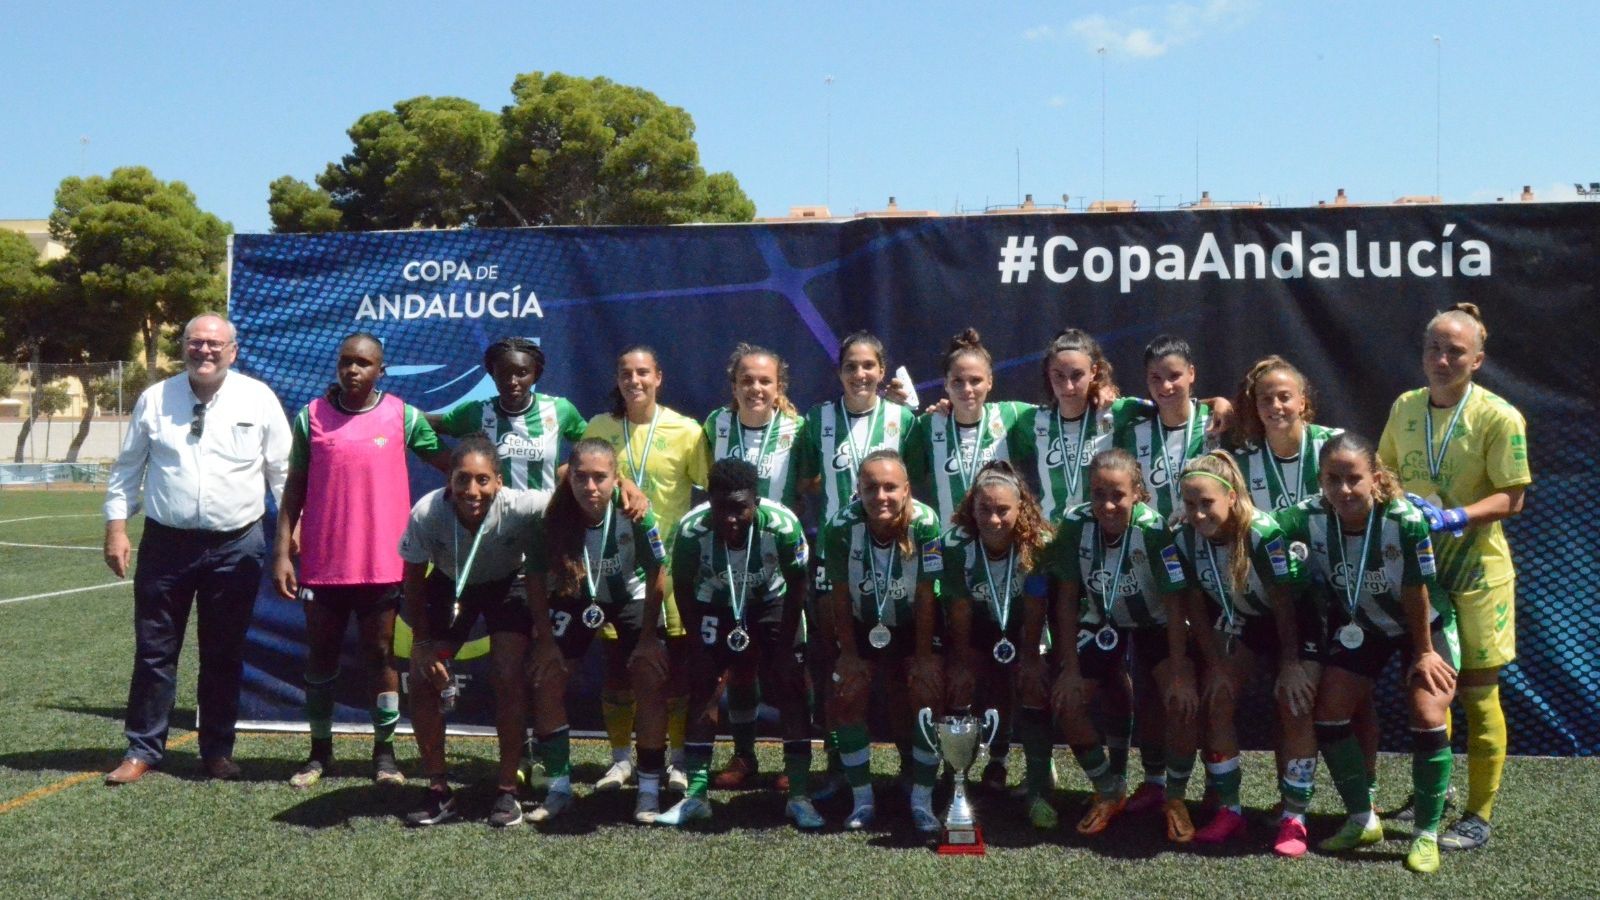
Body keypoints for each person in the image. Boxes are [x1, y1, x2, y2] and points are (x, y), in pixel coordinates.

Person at [103, 313, 292, 785]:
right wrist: (116, 528)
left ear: (233, 351)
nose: (204, 350)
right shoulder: (154, 398)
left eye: (214, 343)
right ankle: (142, 748)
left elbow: (284, 472)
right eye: (195, 342)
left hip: (237, 545)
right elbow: (127, 468)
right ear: (183, 346)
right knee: (154, 652)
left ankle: (217, 751)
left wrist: (293, 534)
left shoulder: (258, 397)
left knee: (223, 653)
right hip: (166, 545)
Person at [1378, 302, 1529, 852]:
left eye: (1455, 352)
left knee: (1478, 695)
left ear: (1478, 360)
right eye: (1434, 349)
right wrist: (1402, 500)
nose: (1442, 360)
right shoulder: (1405, 406)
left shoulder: (1500, 416)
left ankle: (1478, 815)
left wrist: (1456, 515)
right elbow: (1384, 472)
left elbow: (1513, 496)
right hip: (1422, 574)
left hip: (1477, 575)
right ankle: (1433, 794)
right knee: (1428, 687)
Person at [271, 332, 448, 788]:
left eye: (363, 363)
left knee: (381, 655)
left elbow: (450, 463)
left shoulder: (403, 416)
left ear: (380, 370)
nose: (353, 369)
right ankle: (319, 752)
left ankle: (385, 754)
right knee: (321, 656)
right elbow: (295, 486)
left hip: (382, 564)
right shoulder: (311, 416)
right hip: (323, 564)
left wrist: (493, 470)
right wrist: (282, 549)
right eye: (346, 361)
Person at [1277, 433, 1457, 873]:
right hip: (1366, 627)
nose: (1343, 489)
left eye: (1353, 478)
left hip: (1424, 626)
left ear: (1374, 478)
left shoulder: (1404, 520)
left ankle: (1425, 834)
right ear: (1320, 480)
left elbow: (1416, 590)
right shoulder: (1305, 517)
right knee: (1329, 713)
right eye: (1332, 479)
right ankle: (1363, 819)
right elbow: (1253, 526)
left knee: (1427, 713)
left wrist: (1424, 652)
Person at [397, 436, 552, 827]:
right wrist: (422, 644)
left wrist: (626, 487)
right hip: (451, 585)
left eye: (483, 480)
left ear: (499, 481)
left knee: (508, 674)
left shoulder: (520, 505)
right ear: (449, 480)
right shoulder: (428, 513)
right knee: (421, 677)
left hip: (508, 585)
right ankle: (438, 790)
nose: (472, 490)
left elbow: (575, 493)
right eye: (462, 479)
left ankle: (507, 791)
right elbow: (412, 582)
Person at [1104, 333, 1229, 813]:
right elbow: (1097, 398)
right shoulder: (1133, 423)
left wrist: (1224, 403)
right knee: (1156, 686)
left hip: (1211, 572)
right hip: (1154, 574)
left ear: (1192, 374)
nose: (1166, 386)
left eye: (1175, 375)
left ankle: (1218, 785)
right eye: (1155, 378)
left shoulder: (1217, 424)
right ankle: (1156, 781)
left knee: (1209, 684)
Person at [1045, 448, 1196, 842]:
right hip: (1101, 620)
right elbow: (1066, 599)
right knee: (1067, 700)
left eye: (1118, 495)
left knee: (1180, 700)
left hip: (1155, 622)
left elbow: (1175, 603)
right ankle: (1109, 789)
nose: (1108, 505)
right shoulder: (1075, 524)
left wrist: (1180, 673)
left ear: (1137, 494)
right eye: (1098, 494)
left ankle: (1173, 797)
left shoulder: (1153, 530)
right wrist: (1070, 669)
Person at [1171, 452, 1318, 855]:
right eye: (1190, 504)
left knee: (1294, 703)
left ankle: (1295, 818)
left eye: (1207, 503)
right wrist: (1216, 664)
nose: (1198, 514)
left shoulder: (1262, 533)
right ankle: (1230, 810)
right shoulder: (1185, 538)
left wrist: (1290, 664)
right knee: (1216, 698)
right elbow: (1195, 606)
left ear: (1232, 497)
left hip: (1298, 621)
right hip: (1246, 619)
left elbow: (1284, 604)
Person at [584, 346, 711, 793]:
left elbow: (712, 488)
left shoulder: (686, 431)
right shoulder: (599, 427)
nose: (634, 380)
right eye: (625, 373)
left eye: (643, 372)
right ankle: (620, 760)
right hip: (614, 568)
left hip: (669, 571)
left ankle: (675, 760)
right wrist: (622, 481)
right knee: (617, 666)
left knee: (674, 669)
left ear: (659, 377)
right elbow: (575, 474)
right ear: (617, 379)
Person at [795, 332, 917, 798]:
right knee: (835, 667)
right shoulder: (819, 419)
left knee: (900, 670)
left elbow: (917, 479)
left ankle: (910, 767)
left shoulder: (905, 420)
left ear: (882, 371)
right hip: (836, 560)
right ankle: (839, 768)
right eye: (851, 366)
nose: (860, 374)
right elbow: (806, 479)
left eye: (869, 366)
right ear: (839, 372)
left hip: (895, 559)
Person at [662, 458, 815, 828]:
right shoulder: (692, 529)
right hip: (714, 601)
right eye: (721, 507)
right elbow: (682, 585)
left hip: (771, 601)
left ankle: (799, 796)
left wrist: (784, 649)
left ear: (755, 502)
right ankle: (696, 796)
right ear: (709, 501)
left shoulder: (783, 526)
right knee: (703, 687)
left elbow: (798, 584)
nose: (730, 518)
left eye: (739, 508)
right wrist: (697, 645)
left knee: (791, 685)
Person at [524, 439, 671, 826]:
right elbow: (534, 579)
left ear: (616, 478)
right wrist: (545, 642)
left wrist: (648, 638)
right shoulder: (551, 516)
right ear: (568, 478)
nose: (590, 487)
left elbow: (657, 572)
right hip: (575, 596)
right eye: (581, 477)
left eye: (600, 477)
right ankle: (559, 789)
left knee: (650, 673)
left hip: (629, 596)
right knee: (547, 677)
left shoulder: (635, 511)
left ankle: (649, 789)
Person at [823, 450, 945, 831]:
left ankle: (922, 800)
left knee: (924, 694)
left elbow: (926, 594)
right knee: (848, 693)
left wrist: (923, 658)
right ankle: (862, 801)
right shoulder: (840, 527)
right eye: (871, 487)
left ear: (907, 490)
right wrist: (848, 655)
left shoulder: (927, 523)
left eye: (890, 487)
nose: (881, 496)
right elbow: (838, 596)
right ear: (858, 490)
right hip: (862, 624)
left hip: (912, 625)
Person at [702, 344, 807, 789]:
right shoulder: (716, 424)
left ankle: (794, 763)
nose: (756, 388)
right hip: (727, 567)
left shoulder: (798, 430)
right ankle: (745, 756)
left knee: (787, 671)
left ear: (779, 386)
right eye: (746, 380)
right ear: (733, 386)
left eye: (765, 381)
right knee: (739, 667)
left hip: (778, 568)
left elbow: (813, 481)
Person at [939, 461, 1055, 827]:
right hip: (976, 628)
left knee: (1031, 681)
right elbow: (959, 609)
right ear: (971, 509)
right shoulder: (956, 544)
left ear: (1021, 508)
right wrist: (960, 663)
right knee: (962, 682)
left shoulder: (1038, 544)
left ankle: (1038, 785)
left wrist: (1031, 659)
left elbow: (1036, 604)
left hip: (1023, 629)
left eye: (1003, 510)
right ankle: (954, 778)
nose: (993, 519)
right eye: (984, 509)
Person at [905, 328, 1029, 527]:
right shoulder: (928, 425)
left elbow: (1061, 413)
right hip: (948, 539)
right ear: (946, 384)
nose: (967, 389)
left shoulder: (1012, 415)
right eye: (957, 381)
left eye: (975, 380)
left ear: (990, 382)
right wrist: (893, 401)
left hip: (999, 537)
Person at [431, 336, 586, 491]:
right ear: (493, 374)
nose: (512, 381)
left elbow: (594, 445)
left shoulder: (559, 409)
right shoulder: (476, 412)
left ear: (536, 375)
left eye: (522, 373)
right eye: (504, 373)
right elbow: (430, 423)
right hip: (492, 506)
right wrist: (449, 463)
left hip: (545, 506)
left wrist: (570, 472)